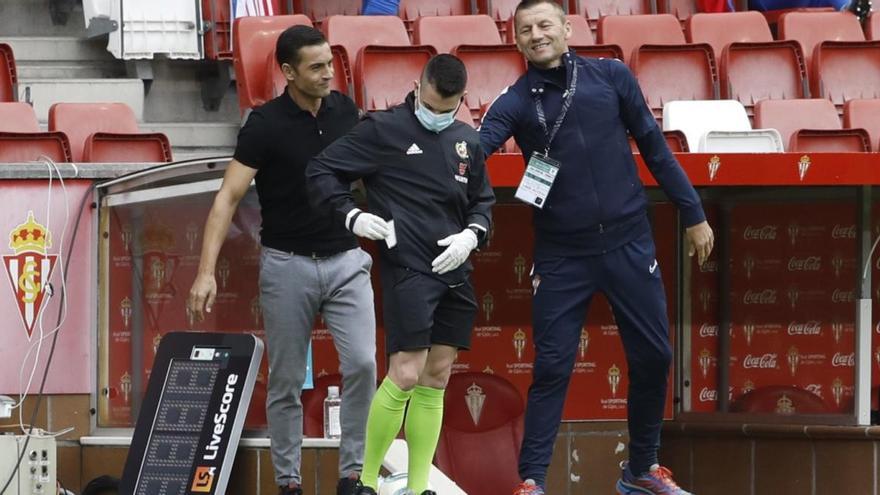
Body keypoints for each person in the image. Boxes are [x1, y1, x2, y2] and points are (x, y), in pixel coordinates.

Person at [479, 2, 714, 494]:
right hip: (562, 255)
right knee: (552, 367)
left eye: (545, 25)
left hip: (630, 242)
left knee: (653, 356)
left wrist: (692, 212)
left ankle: (642, 471)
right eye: (526, 30)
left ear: (568, 27)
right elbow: (476, 149)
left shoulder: (611, 75)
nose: (537, 35)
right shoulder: (516, 99)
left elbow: (652, 145)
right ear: (516, 40)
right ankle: (531, 482)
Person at [186, 25, 376, 495]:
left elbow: (371, 177)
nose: (328, 73)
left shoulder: (346, 110)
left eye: (330, 63)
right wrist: (205, 273)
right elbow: (228, 197)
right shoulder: (265, 124)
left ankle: (353, 476)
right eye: (316, 67)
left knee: (365, 366)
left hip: (347, 260)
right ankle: (288, 482)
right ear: (288, 72)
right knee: (287, 380)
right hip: (288, 264)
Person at [307, 54, 495, 495]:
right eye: (430, 105)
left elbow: (483, 202)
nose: (436, 115)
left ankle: (416, 487)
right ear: (416, 87)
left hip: (455, 269)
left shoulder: (468, 141)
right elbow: (320, 169)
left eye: (446, 109)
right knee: (406, 373)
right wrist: (351, 215)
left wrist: (472, 234)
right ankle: (367, 482)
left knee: (438, 375)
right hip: (408, 266)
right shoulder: (383, 129)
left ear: (462, 101)